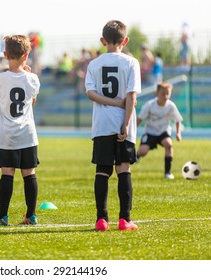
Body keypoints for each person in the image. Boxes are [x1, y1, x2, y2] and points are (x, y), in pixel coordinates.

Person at [85, 20, 141, 231]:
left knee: (102, 171)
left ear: (102, 41)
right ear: (125, 41)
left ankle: (101, 219)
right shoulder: (131, 63)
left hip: (101, 125)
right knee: (123, 169)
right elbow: (131, 97)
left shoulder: (94, 64)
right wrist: (126, 123)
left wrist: (112, 102)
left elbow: (91, 94)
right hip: (122, 124)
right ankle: (124, 220)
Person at [0, 35, 41, 226]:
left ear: (5, 55)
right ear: (26, 55)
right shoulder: (33, 79)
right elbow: (32, 102)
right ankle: (31, 215)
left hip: (7, 135)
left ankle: (3, 215)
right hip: (27, 134)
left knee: (7, 173)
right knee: (29, 173)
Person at [136, 82, 183, 179]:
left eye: (168, 94)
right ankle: (137, 155)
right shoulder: (149, 105)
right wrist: (131, 132)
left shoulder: (171, 106)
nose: (165, 96)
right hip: (150, 132)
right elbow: (139, 119)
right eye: (163, 94)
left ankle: (167, 172)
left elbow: (178, 120)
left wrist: (178, 133)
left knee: (169, 145)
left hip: (163, 132)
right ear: (156, 93)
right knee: (143, 152)